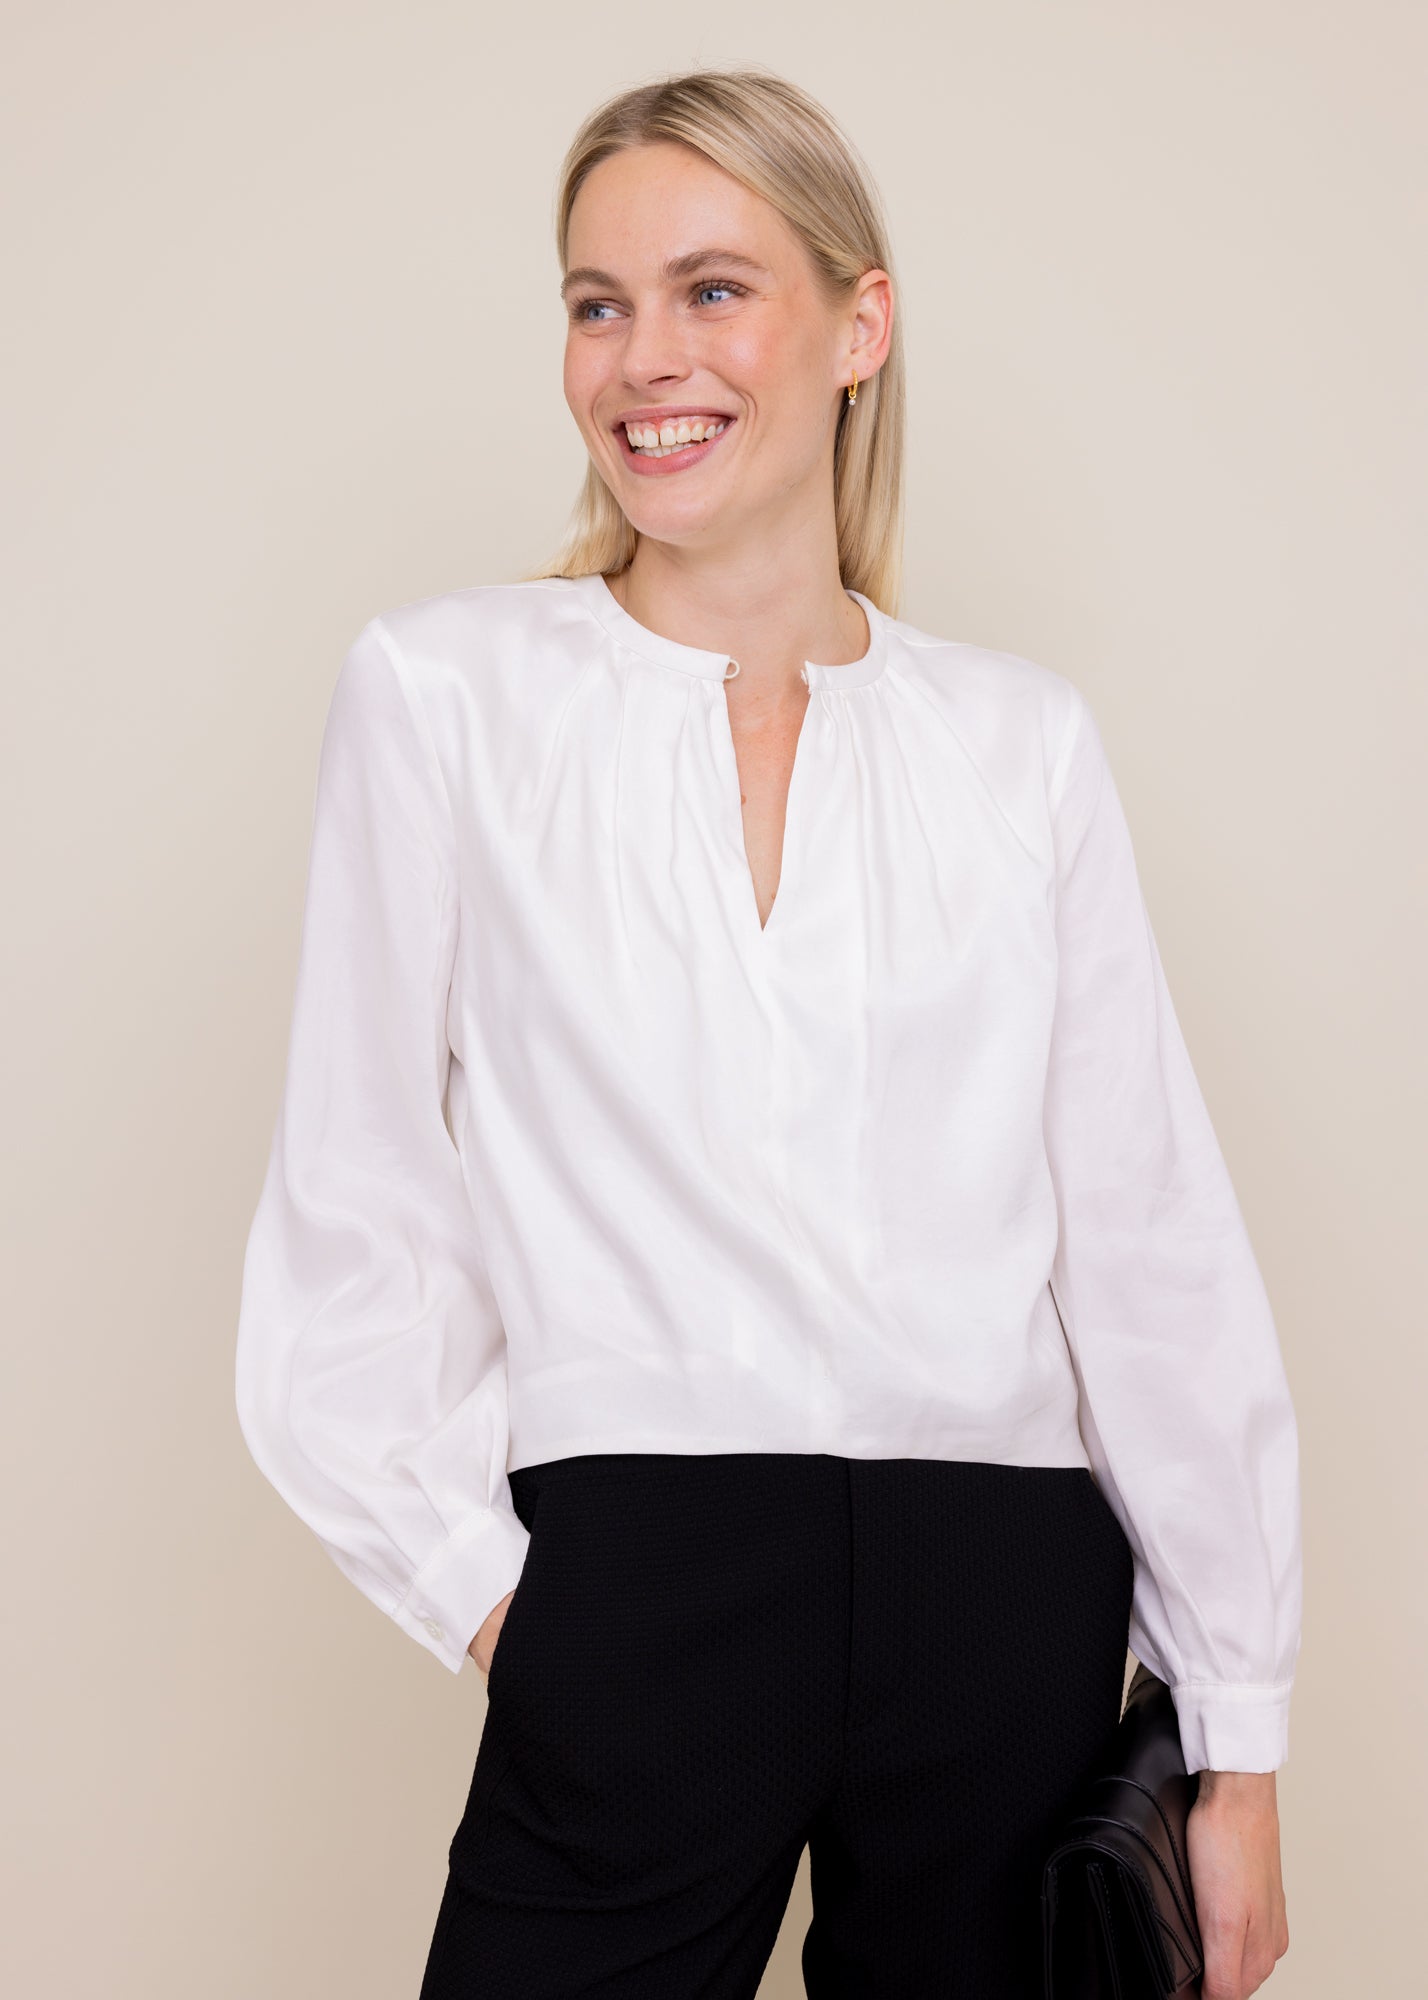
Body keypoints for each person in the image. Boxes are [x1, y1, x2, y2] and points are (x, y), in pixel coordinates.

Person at [234, 64, 1301, 2000]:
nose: (647, 357)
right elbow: (355, 1192)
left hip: (1003, 1593)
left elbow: (1147, 1240)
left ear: (858, 325)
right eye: (598, 301)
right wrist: (504, 1604)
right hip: (636, 1579)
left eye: (713, 289)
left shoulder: (1020, 745)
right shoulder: (446, 699)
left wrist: (1236, 1736)